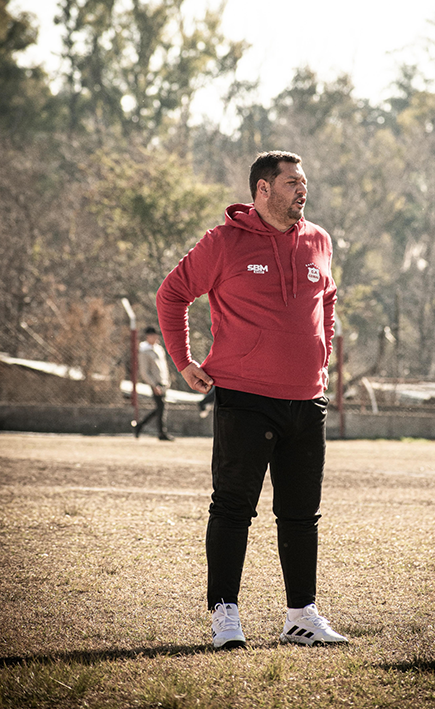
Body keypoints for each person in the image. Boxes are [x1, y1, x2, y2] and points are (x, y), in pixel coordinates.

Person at [156, 150, 348, 649]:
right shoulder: (223, 242)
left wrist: (322, 352)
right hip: (245, 398)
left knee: (302, 514)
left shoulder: (319, 240)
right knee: (233, 507)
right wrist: (184, 361)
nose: (301, 190)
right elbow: (172, 294)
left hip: (308, 399)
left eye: (303, 182)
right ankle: (224, 614)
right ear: (262, 190)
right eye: (290, 183)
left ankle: (301, 615)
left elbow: (327, 298)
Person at [131, 326, 174, 441]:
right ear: (148, 336)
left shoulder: (159, 349)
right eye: (153, 335)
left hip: (163, 382)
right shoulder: (144, 351)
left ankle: (140, 425)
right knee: (161, 408)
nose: (156, 337)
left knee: (160, 408)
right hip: (156, 383)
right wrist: (154, 385)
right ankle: (161, 433)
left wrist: (167, 381)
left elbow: (164, 367)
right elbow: (144, 371)